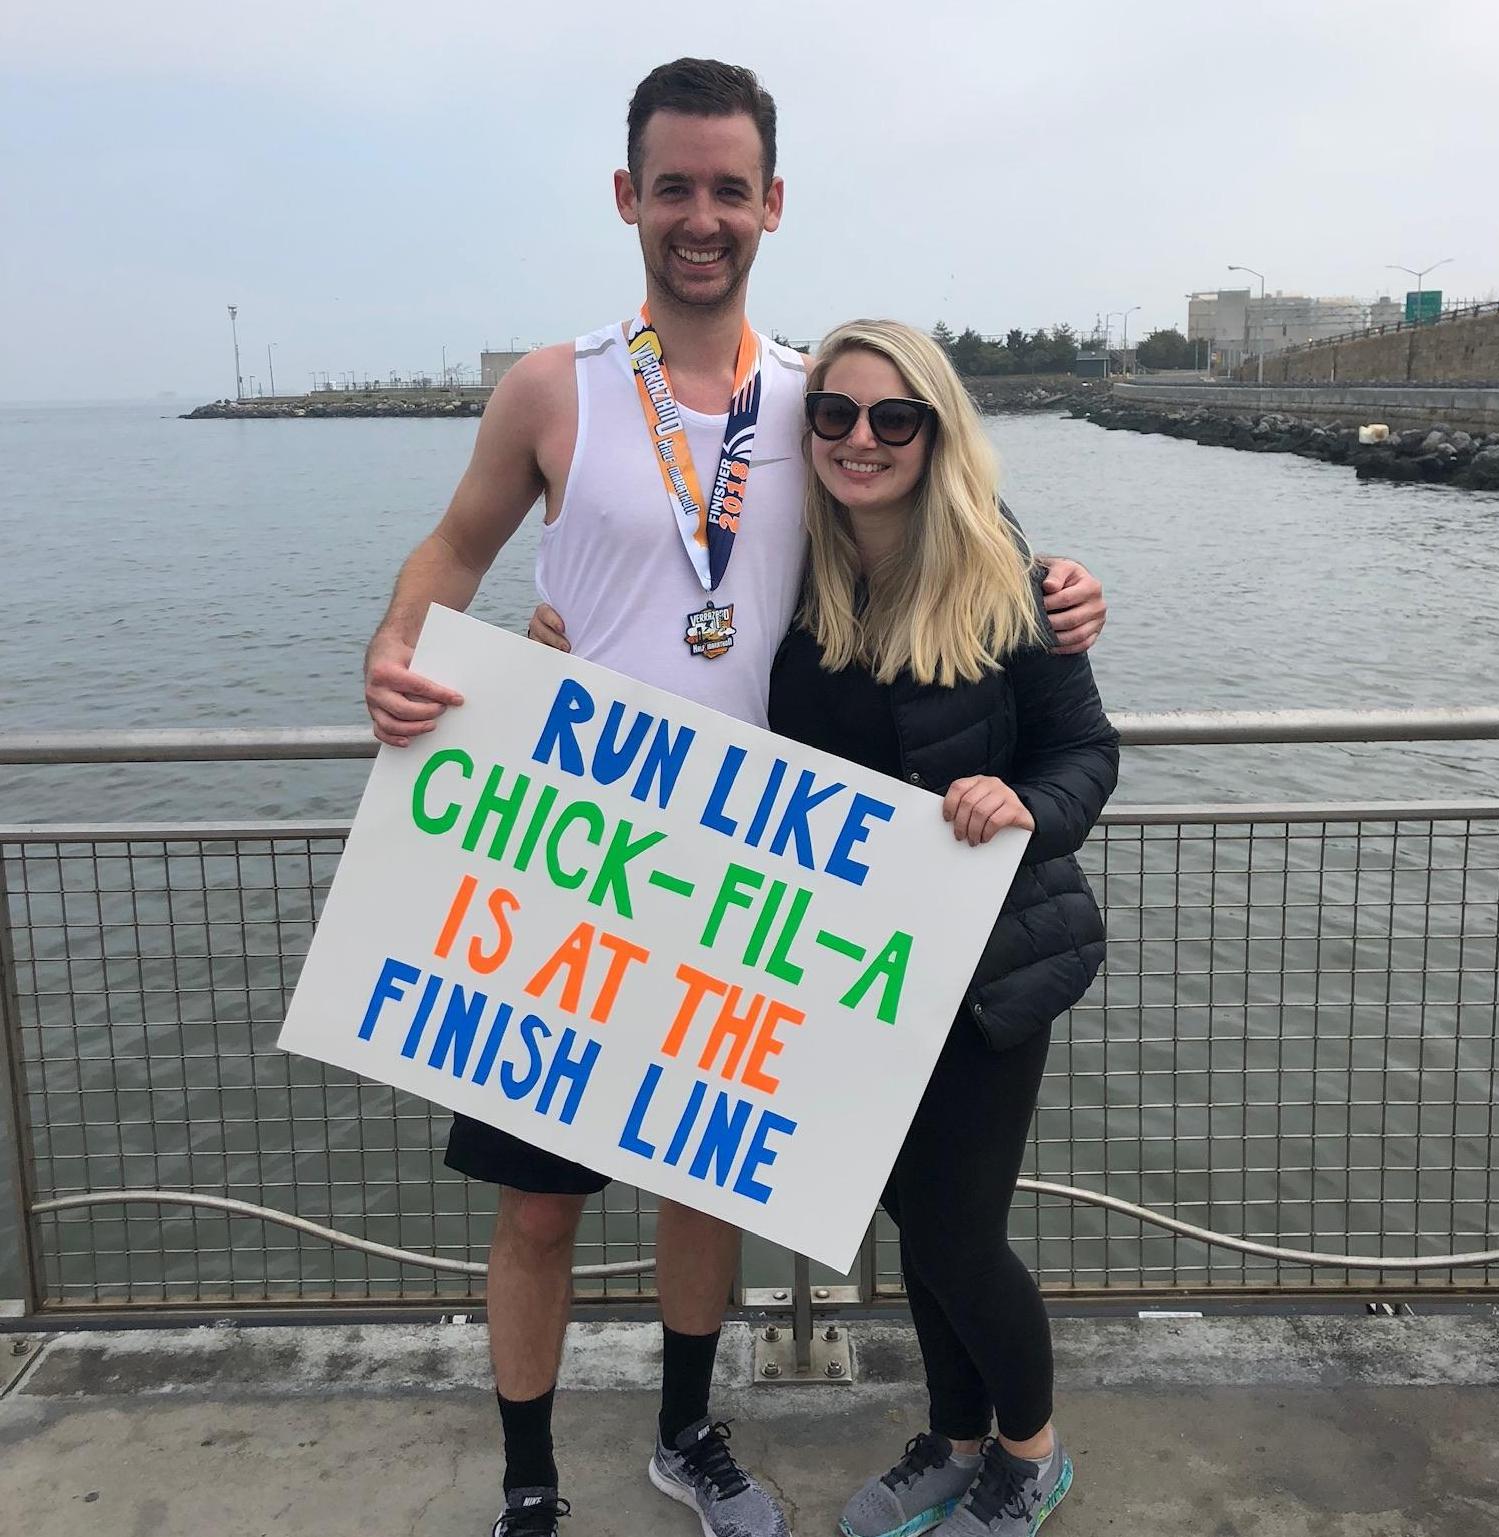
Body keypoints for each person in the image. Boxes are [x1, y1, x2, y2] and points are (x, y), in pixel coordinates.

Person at [363, 60, 1109, 1537]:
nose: (700, 217)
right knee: (536, 1205)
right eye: (673, 186)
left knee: (698, 1185)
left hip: (745, 883)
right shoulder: (550, 385)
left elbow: (948, 541)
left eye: (729, 189)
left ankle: (689, 1435)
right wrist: (396, 651)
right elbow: (453, 548)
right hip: (569, 850)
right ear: (627, 197)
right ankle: (528, 1478)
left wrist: (1061, 590)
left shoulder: (818, 402)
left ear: (771, 204)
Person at [765, 318, 1118, 1537]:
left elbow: (1084, 748)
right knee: (914, 1218)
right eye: (834, 415)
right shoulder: (785, 574)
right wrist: (563, 649)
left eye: (891, 418)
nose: (860, 440)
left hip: (988, 963)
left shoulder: (998, 573)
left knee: (959, 1229)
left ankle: (1030, 1451)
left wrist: (1026, 804)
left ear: (933, 431)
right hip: (848, 965)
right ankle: (955, 1436)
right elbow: (676, 668)